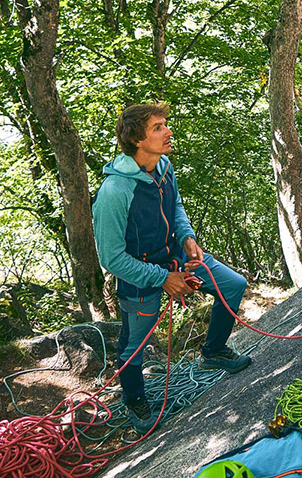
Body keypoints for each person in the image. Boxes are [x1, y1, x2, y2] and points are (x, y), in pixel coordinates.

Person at [92, 102, 251, 432]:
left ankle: (214, 351)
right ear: (137, 139)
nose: (168, 132)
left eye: (165, 124)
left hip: (179, 256)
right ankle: (135, 399)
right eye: (158, 128)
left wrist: (187, 235)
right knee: (134, 343)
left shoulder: (163, 166)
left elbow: (175, 206)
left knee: (233, 285)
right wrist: (163, 278)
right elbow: (111, 257)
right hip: (141, 275)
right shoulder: (115, 190)